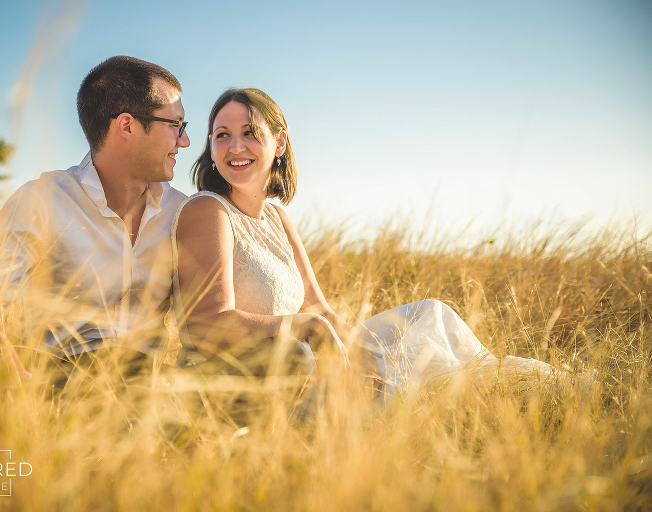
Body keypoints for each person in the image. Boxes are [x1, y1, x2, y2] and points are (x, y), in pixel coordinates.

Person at [171, 88, 570, 405]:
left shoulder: (276, 218)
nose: (234, 146)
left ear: (279, 144)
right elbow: (207, 325)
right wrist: (307, 330)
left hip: (300, 354)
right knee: (420, 381)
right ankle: (472, 396)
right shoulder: (208, 211)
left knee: (429, 316)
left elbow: (318, 306)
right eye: (222, 135)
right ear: (211, 145)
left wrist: (359, 354)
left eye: (249, 133)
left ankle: (513, 389)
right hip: (254, 371)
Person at [0, 56, 190, 380]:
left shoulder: (182, 212)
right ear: (127, 126)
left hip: (154, 389)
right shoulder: (42, 201)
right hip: (61, 382)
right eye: (176, 125)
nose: (185, 140)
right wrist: (13, 377)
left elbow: (204, 323)